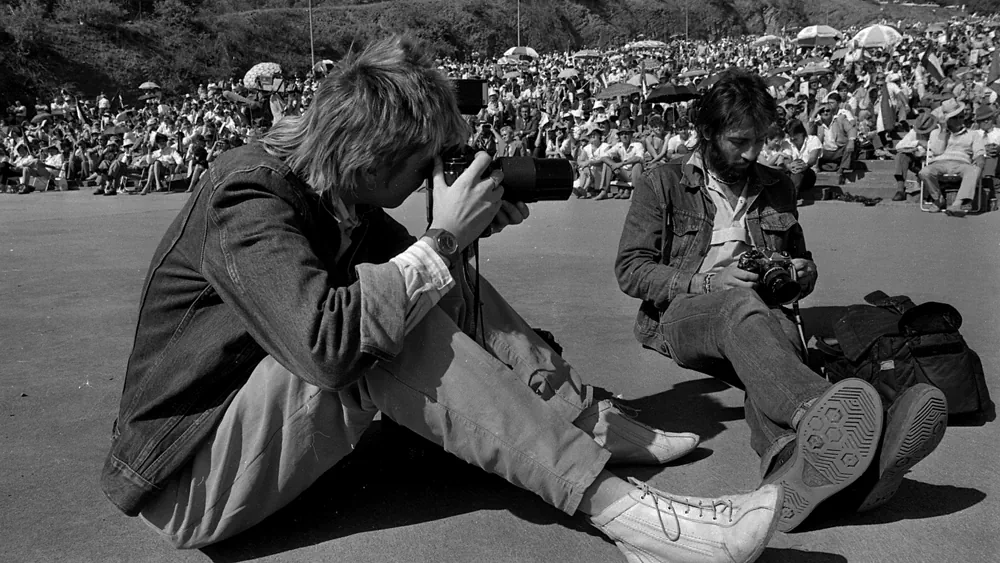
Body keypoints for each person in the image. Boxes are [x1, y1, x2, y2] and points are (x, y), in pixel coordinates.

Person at [100, 36, 783, 563]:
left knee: (426, 284)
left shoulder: (339, 192)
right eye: (423, 163)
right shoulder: (244, 195)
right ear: (370, 159)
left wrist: (459, 238)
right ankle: (632, 516)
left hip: (247, 427)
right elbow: (327, 345)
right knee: (382, 330)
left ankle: (588, 420)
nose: (435, 174)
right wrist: (443, 234)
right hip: (188, 477)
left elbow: (441, 280)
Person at [615, 69, 948, 533]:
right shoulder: (663, 182)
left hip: (765, 317)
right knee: (741, 307)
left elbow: (796, 260)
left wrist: (801, 272)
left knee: (764, 363)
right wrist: (709, 282)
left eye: (760, 141)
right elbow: (631, 270)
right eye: (739, 141)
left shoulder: (776, 184)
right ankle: (821, 410)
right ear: (707, 133)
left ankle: (799, 466)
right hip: (684, 316)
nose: (751, 153)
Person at [918, 98, 986, 216]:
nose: (959, 120)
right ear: (947, 119)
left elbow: (979, 153)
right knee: (924, 172)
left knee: (974, 170)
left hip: (962, 163)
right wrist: (944, 130)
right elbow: (937, 151)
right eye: (954, 118)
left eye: (961, 116)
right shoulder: (936, 133)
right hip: (940, 162)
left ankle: (957, 204)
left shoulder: (973, 134)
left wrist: (980, 160)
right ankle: (938, 199)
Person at [890, 112, 938, 202]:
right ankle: (900, 190)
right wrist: (917, 142)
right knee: (901, 156)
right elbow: (898, 146)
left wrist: (927, 148)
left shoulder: (938, 133)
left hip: (933, 161)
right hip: (918, 161)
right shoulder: (914, 132)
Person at [781, 119, 822, 201]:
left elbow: (812, 159)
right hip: (791, 172)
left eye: (795, 135)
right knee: (793, 167)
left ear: (802, 133)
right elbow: (786, 158)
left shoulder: (813, 140)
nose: (792, 138)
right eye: (790, 135)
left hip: (807, 174)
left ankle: (792, 195)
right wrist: (790, 166)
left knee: (798, 164)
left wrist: (803, 166)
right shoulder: (787, 142)